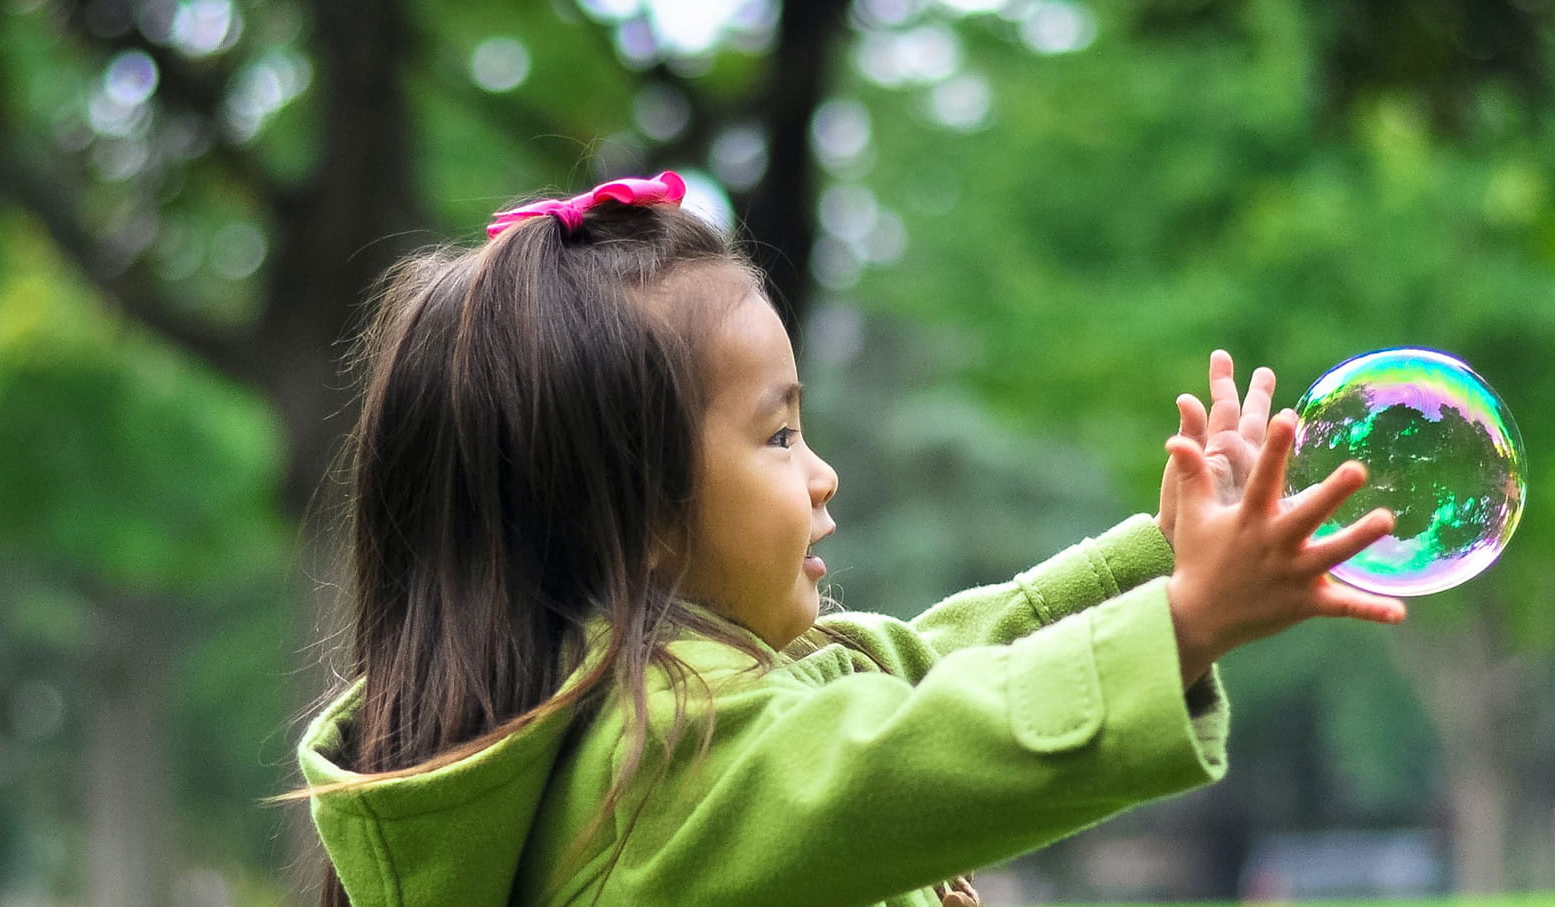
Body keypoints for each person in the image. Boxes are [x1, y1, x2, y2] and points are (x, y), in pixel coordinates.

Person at [279, 172, 1402, 907]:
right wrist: (1188, 621)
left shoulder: (683, 708)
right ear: (636, 516)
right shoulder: (657, 764)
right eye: (776, 436)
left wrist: (1163, 557)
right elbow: (908, 752)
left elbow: (937, 660)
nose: (821, 475)